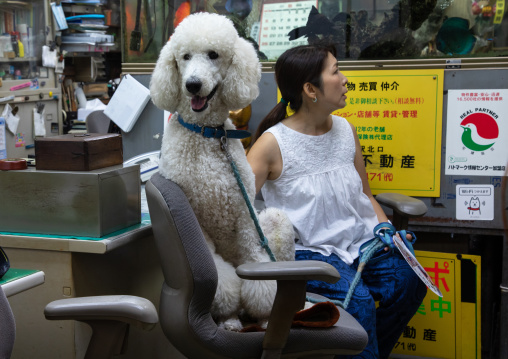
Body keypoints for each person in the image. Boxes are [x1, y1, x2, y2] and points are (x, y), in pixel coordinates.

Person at [247, 44, 427, 359]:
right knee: (358, 305)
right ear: (309, 89)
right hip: (310, 251)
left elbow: (366, 195)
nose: (345, 80)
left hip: (361, 242)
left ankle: (370, 352)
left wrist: (388, 231)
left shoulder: (345, 131)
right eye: (336, 71)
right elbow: (241, 209)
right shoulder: (271, 144)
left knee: (409, 281)